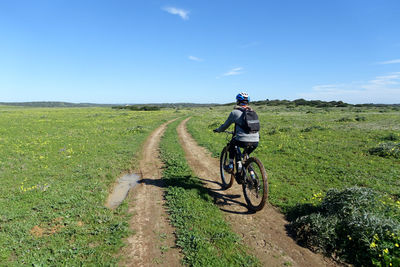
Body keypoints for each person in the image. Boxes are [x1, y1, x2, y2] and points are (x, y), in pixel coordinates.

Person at [213, 92, 260, 173]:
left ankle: (231, 165)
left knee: (232, 144)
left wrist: (218, 130)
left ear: (238, 101)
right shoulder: (253, 112)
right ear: (248, 102)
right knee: (246, 155)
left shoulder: (235, 112)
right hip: (255, 141)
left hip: (242, 140)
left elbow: (225, 126)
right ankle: (251, 173)